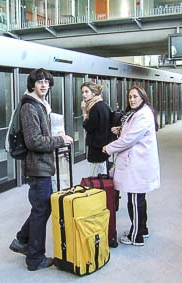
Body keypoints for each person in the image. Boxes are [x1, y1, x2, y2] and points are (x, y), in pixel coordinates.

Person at [9, 68, 73, 271]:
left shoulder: (41, 105)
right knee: (41, 209)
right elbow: (34, 141)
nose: (44, 85)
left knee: (42, 207)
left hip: (43, 165)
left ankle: (22, 240)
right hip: (37, 167)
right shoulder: (30, 107)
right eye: (39, 82)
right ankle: (35, 258)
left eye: (46, 81)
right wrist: (60, 140)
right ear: (32, 85)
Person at [102, 85, 160, 246]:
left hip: (137, 165)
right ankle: (143, 229)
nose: (132, 99)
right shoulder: (140, 113)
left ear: (143, 97)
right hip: (137, 163)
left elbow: (129, 139)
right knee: (139, 198)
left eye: (135, 96)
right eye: (130, 97)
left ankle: (136, 236)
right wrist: (120, 129)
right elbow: (132, 132)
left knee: (134, 200)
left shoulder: (142, 115)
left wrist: (108, 148)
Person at [81, 82, 110, 176]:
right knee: (102, 173)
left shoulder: (94, 108)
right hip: (104, 145)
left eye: (86, 92)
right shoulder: (104, 105)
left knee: (95, 176)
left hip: (96, 147)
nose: (84, 95)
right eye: (82, 92)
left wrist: (84, 114)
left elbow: (89, 127)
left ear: (93, 93)